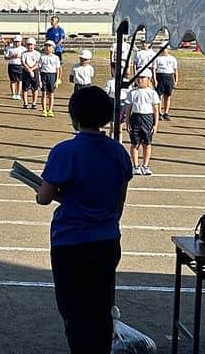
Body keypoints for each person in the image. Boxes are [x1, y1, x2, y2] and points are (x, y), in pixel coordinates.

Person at [37, 86, 132, 354]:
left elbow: (44, 197)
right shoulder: (118, 152)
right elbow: (119, 200)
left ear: (74, 116)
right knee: (101, 308)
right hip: (106, 238)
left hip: (72, 240)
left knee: (74, 311)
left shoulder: (65, 151)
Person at [125, 70, 160, 176]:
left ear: (149, 79)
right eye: (138, 77)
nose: (140, 80)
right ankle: (135, 165)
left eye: (143, 77)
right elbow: (128, 108)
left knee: (147, 143)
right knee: (135, 143)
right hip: (135, 117)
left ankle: (145, 165)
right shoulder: (132, 92)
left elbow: (155, 110)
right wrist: (127, 122)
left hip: (147, 118)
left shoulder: (152, 93)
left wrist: (155, 124)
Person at [153, 45, 179, 120]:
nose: (164, 50)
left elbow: (175, 70)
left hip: (169, 76)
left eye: (166, 49)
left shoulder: (172, 58)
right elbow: (154, 69)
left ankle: (166, 112)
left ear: (169, 50)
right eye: (163, 49)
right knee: (159, 96)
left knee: (167, 96)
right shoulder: (157, 58)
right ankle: (159, 112)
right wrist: (154, 79)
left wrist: (176, 80)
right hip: (160, 76)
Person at [38, 40, 62, 118]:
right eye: (46, 46)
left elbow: (58, 69)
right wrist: (40, 80)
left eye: (50, 46)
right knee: (44, 93)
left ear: (53, 48)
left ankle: (50, 110)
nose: (48, 48)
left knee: (51, 94)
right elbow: (39, 69)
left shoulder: (56, 58)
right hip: (44, 75)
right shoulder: (42, 57)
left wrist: (57, 80)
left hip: (52, 76)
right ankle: (44, 110)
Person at [21, 38, 41, 110]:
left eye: (31, 44)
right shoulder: (24, 53)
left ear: (34, 45)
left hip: (35, 71)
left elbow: (37, 63)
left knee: (35, 88)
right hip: (26, 71)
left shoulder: (37, 53)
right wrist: (29, 70)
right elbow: (23, 63)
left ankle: (34, 103)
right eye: (28, 44)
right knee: (25, 88)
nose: (30, 46)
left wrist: (32, 70)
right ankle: (25, 103)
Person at [4, 35, 25, 101]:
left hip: (20, 66)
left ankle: (18, 94)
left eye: (18, 41)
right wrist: (12, 56)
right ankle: (13, 94)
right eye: (15, 42)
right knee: (13, 80)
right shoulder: (9, 48)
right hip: (12, 65)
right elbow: (5, 57)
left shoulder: (24, 49)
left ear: (21, 42)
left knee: (20, 80)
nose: (17, 43)